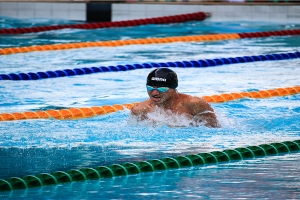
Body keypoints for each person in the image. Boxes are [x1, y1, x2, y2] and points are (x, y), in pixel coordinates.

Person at [130, 68, 220, 128]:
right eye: (150, 88)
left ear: (173, 88)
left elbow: (215, 129)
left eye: (161, 88)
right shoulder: (140, 110)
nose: (154, 93)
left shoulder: (194, 104)